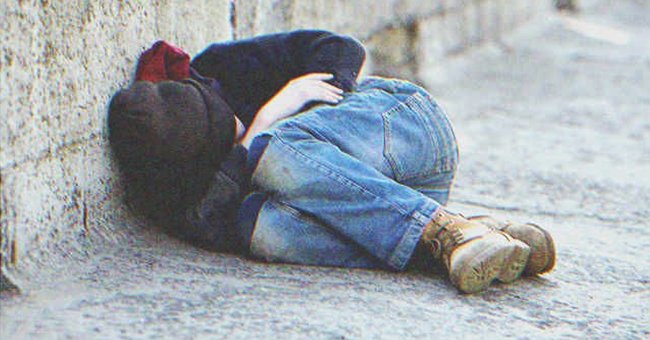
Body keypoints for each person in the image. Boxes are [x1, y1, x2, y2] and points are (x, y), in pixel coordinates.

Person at [108, 30, 555, 293]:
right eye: (229, 144)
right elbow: (222, 221)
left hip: (405, 131)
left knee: (277, 149)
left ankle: (444, 230)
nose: (241, 133)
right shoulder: (184, 196)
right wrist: (267, 117)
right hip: (391, 205)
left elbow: (341, 48)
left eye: (234, 121)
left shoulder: (223, 66)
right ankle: (463, 239)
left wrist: (307, 99)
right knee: (261, 229)